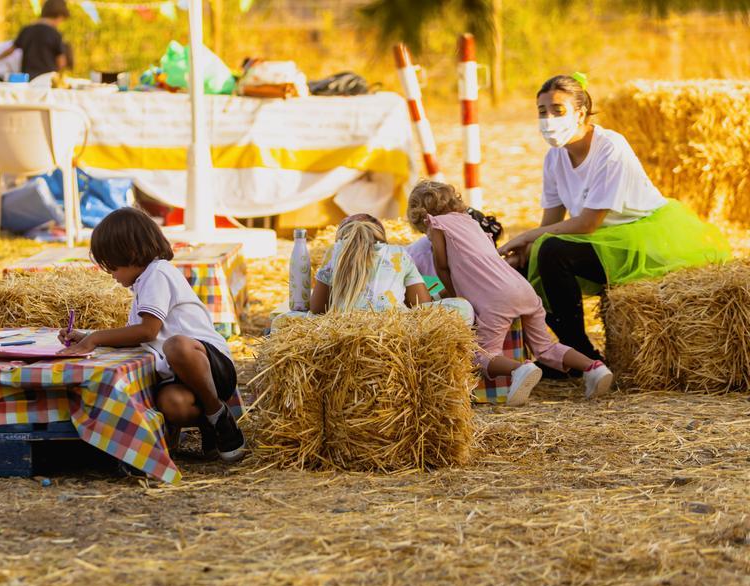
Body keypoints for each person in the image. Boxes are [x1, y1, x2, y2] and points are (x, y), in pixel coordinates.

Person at [497, 73, 731, 360]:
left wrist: (525, 237)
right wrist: (523, 251)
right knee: (525, 262)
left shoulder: (610, 147)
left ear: (580, 113)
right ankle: (551, 354)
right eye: (542, 112)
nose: (548, 119)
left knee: (550, 251)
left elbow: (587, 223)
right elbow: (550, 224)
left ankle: (581, 353)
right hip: (600, 241)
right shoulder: (554, 157)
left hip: (640, 240)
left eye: (558, 110)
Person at [57, 207, 245, 462]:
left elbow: (147, 331)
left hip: (211, 366)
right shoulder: (142, 284)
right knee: (170, 404)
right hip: (180, 375)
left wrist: (96, 338)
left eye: (113, 266)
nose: (112, 275)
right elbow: (135, 336)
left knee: (176, 345)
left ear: (131, 253)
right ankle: (210, 423)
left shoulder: (158, 273)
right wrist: (87, 335)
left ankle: (217, 416)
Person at [411, 181, 614, 404]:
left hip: (496, 299)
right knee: (545, 347)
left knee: (483, 355)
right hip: (522, 289)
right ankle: (594, 367)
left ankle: (520, 370)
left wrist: (455, 296)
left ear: (422, 216)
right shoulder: (471, 223)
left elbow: (442, 266)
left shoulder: (437, 224)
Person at [307, 214, 473, 324]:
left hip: (341, 330)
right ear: (381, 237)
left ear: (341, 239)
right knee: (463, 308)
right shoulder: (398, 254)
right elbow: (421, 306)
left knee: (289, 319)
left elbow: (316, 310)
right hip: (393, 330)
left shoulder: (334, 254)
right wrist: (439, 294)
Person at [0, 0, 70, 81]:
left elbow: (11, 50)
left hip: (28, 79)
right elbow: (61, 62)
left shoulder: (27, 30)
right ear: (59, 16)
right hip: (47, 80)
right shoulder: (55, 34)